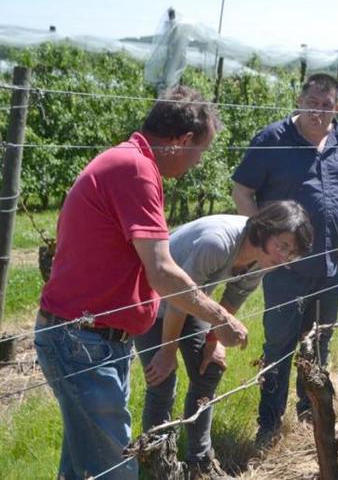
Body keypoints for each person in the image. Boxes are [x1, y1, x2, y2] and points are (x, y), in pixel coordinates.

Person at [34, 86, 249, 480]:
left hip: (97, 338)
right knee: (115, 469)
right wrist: (220, 318)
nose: (199, 163)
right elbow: (163, 272)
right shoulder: (135, 170)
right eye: (200, 151)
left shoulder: (133, 163)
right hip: (83, 340)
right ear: (182, 141)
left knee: (84, 467)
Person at [231, 73, 338, 447]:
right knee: (279, 345)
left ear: (336, 108)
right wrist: (262, 239)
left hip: (334, 266)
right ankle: (269, 426)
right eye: (312, 102)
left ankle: (309, 412)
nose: (318, 111)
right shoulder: (273, 139)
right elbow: (242, 189)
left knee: (320, 339)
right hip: (286, 268)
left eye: (326, 105)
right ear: (299, 100)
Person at [135, 201, 312, 477]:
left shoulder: (263, 259)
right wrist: (167, 351)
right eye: (283, 246)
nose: (284, 258)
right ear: (265, 230)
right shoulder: (217, 244)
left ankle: (200, 461)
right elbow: (177, 298)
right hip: (151, 300)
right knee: (162, 379)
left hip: (192, 298)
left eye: (292, 254)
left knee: (210, 369)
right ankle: (157, 466)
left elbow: (232, 298)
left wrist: (213, 341)